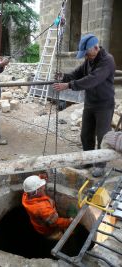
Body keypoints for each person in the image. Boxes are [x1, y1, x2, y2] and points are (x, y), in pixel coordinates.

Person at [53, 33, 115, 177]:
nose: (87, 57)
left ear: (96, 47)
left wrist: (68, 85)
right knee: (85, 134)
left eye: (88, 54)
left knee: (103, 136)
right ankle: (88, 160)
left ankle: (100, 164)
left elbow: (92, 80)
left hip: (104, 105)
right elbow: (77, 73)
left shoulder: (107, 61)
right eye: (85, 55)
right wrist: (63, 76)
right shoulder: (89, 60)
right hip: (90, 103)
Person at [22, 175, 73, 240]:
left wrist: (40, 177)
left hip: (38, 225)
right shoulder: (43, 209)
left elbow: (32, 185)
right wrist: (69, 222)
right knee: (61, 236)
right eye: (42, 187)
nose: (44, 187)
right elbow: (55, 222)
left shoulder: (26, 195)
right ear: (36, 191)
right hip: (48, 230)